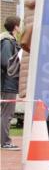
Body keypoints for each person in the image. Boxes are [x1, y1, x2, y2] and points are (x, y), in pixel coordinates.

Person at [1, 15, 21, 149]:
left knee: (6, 113)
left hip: (9, 82)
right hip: (8, 83)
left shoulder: (10, 41)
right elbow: (5, 62)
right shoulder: (7, 42)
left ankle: (4, 140)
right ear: (15, 26)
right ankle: (5, 142)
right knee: (7, 114)